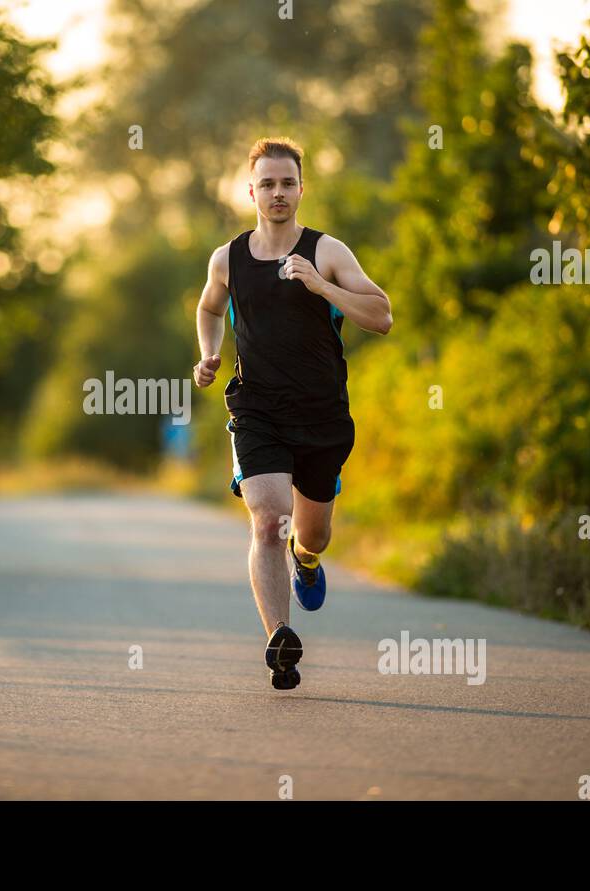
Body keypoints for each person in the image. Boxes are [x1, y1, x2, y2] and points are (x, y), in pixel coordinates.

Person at [192, 137, 393, 690]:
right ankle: (280, 638)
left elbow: (381, 316)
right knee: (267, 518)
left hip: (322, 416)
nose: (277, 193)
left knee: (312, 533)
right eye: (267, 184)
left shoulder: (327, 251)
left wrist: (319, 284)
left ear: (301, 189)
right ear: (251, 190)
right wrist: (209, 353)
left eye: (287, 183)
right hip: (257, 408)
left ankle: (306, 560)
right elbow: (210, 307)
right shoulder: (227, 258)